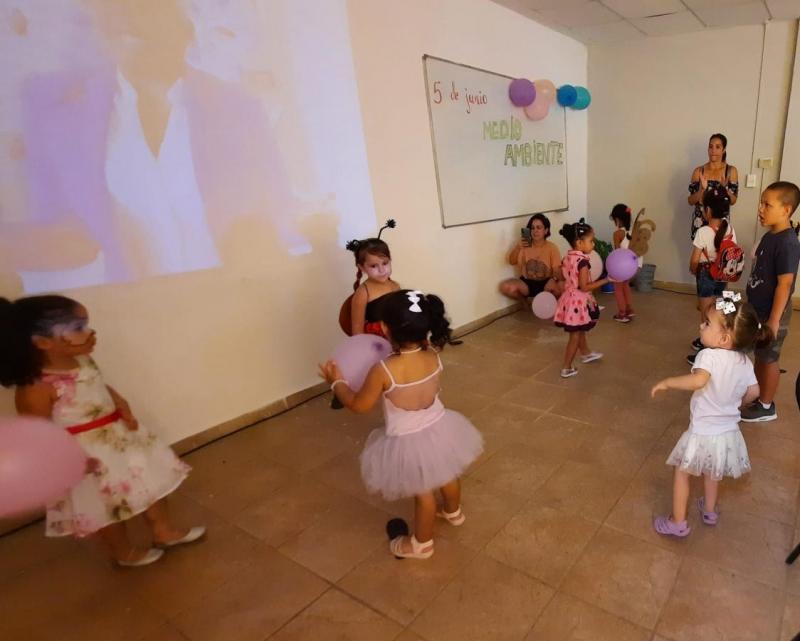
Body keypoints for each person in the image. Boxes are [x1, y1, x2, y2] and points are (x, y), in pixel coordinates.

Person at [0, 295, 204, 566]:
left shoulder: (83, 361)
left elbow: (98, 386)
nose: (90, 333)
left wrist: (121, 403)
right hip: (88, 454)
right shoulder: (38, 387)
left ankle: (163, 530)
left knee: (150, 484)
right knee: (105, 506)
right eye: (78, 328)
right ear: (43, 342)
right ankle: (124, 552)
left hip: (120, 438)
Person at [318, 290, 483, 559]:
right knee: (447, 473)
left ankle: (421, 545)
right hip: (439, 426)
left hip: (408, 438)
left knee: (423, 494)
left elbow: (359, 405)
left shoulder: (383, 370)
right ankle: (454, 513)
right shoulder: (432, 354)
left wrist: (337, 383)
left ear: (384, 328)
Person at [651, 295, 771, 537]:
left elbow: (698, 381)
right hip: (727, 431)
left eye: (706, 324)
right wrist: (737, 404)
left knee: (682, 472)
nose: (700, 326)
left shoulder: (708, 356)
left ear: (724, 338)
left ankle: (678, 522)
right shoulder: (745, 361)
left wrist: (668, 382)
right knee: (712, 470)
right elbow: (754, 392)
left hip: (702, 431)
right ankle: (709, 511)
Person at [741, 181, 800, 422]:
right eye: (761, 203)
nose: (760, 208)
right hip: (757, 309)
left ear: (786, 210)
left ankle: (767, 405)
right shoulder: (770, 237)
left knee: (769, 358)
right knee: (759, 354)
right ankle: (757, 393)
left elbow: (784, 285)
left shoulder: (787, 243)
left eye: (767, 204)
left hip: (772, 314)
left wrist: (774, 321)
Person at [553, 219, 611, 378]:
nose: (593, 244)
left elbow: (560, 274)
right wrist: (606, 280)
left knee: (580, 328)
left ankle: (585, 353)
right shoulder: (583, 262)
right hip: (577, 302)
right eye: (591, 241)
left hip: (569, 300)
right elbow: (584, 287)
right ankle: (566, 367)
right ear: (579, 242)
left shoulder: (568, 257)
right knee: (575, 335)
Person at [687, 195, 736, 364]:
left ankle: (706, 354)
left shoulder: (703, 231)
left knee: (707, 316)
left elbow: (694, 260)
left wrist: (694, 271)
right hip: (722, 276)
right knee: (719, 312)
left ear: (708, 210)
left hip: (706, 275)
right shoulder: (729, 228)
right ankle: (719, 344)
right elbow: (730, 255)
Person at [345, 220, 401, 337]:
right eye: (373, 266)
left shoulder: (395, 286)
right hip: (377, 347)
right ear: (362, 267)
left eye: (385, 263)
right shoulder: (363, 293)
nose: (381, 270)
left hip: (399, 343)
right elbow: (357, 333)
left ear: (390, 260)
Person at [499, 213, 563, 301]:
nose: (535, 231)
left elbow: (556, 270)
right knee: (504, 286)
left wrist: (564, 281)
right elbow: (511, 261)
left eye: (539, 227)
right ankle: (525, 304)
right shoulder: (524, 245)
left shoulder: (552, 247)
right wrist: (518, 247)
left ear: (546, 230)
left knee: (561, 287)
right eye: (532, 228)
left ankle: (545, 304)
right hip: (526, 283)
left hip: (545, 283)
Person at [688, 133, 739, 240]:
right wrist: (701, 190)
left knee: (720, 254)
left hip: (720, 224)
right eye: (710, 146)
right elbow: (690, 201)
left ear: (723, 149)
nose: (713, 150)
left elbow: (733, 200)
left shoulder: (730, 171)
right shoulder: (699, 171)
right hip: (700, 222)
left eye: (717, 147)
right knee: (701, 255)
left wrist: (723, 189)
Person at [609, 203, 641, 322]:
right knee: (626, 286)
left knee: (618, 288)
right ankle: (630, 309)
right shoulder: (634, 232)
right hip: (632, 266)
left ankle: (622, 313)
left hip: (621, 267)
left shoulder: (618, 234)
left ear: (617, 219)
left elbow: (617, 253)